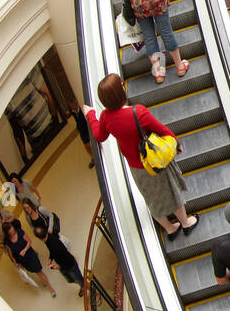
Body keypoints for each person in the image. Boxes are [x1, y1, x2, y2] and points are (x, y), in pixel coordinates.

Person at [83, 73, 199, 237]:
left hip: (136, 166)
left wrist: (90, 116)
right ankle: (185, 223)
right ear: (120, 91)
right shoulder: (138, 112)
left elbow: (99, 136)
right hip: (154, 161)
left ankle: (169, 228)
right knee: (171, 191)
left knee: (151, 198)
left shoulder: (106, 118)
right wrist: (176, 143)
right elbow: (161, 129)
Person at [23, 200, 84, 295]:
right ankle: (81, 283)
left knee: (77, 276)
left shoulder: (40, 210)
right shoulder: (48, 243)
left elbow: (51, 216)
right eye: (25, 208)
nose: (27, 210)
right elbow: (53, 251)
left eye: (27, 207)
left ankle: (85, 286)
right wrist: (50, 258)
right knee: (70, 277)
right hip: (51, 241)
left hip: (64, 256)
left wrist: (58, 266)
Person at [4, 219, 56, 297]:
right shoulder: (7, 241)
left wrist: (25, 250)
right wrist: (15, 262)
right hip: (22, 261)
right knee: (33, 272)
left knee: (39, 272)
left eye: (11, 228)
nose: (12, 230)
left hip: (30, 256)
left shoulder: (19, 232)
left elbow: (29, 241)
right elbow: (10, 253)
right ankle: (45, 283)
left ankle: (50, 287)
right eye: (10, 230)